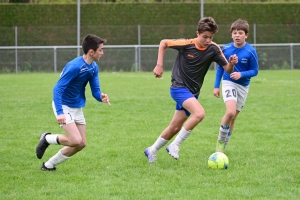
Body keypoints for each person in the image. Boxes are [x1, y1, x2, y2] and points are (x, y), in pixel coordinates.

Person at [144, 17, 238, 163]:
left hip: (193, 93)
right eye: (204, 37)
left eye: (210, 37)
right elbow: (163, 43)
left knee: (175, 127)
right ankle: (175, 145)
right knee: (199, 113)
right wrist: (159, 65)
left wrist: (231, 63)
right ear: (197, 33)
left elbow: (227, 68)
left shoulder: (213, 49)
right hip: (178, 87)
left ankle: (152, 150)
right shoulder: (186, 44)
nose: (207, 40)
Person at [36, 34, 111, 171]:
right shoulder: (74, 66)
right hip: (63, 105)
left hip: (77, 107)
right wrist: (60, 112)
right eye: (100, 50)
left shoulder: (93, 67)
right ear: (91, 52)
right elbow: (57, 89)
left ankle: (48, 165)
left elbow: (95, 90)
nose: (102, 52)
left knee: (81, 144)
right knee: (75, 140)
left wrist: (101, 96)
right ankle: (47, 138)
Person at [214, 19, 259, 153]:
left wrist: (241, 74)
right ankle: (219, 145)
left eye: (240, 33)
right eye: (235, 33)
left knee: (233, 118)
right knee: (230, 112)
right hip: (228, 83)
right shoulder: (226, 49)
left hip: (243, 87)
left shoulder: (251, 51)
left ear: (246, 35)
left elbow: (255, 71)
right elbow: (220, 69)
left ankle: (224, 146)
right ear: (231, 34)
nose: (237, 35)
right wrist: (216, 86)